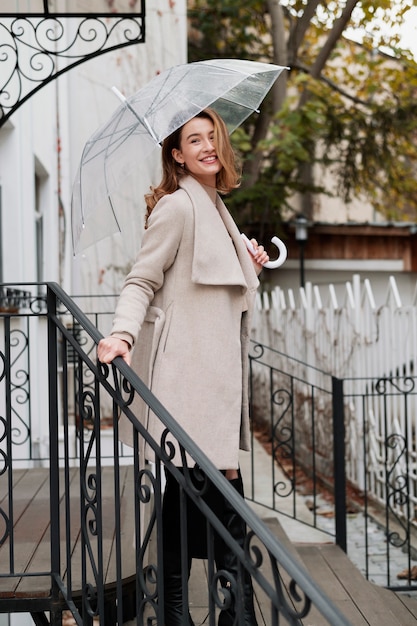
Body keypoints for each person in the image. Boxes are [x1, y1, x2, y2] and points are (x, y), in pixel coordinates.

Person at [97, 108, 269, 626]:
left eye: (212, 135)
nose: (207, 145)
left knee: (193, 486)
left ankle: (185, 607)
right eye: (193, 140)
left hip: (216, 377)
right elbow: (141, 279)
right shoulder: (178, 206)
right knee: (213, 482)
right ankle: (230, 610)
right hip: (186, 375)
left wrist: (248, 263)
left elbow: (218, 289)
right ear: (177, 155)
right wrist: (122, 334)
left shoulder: (217, 207)